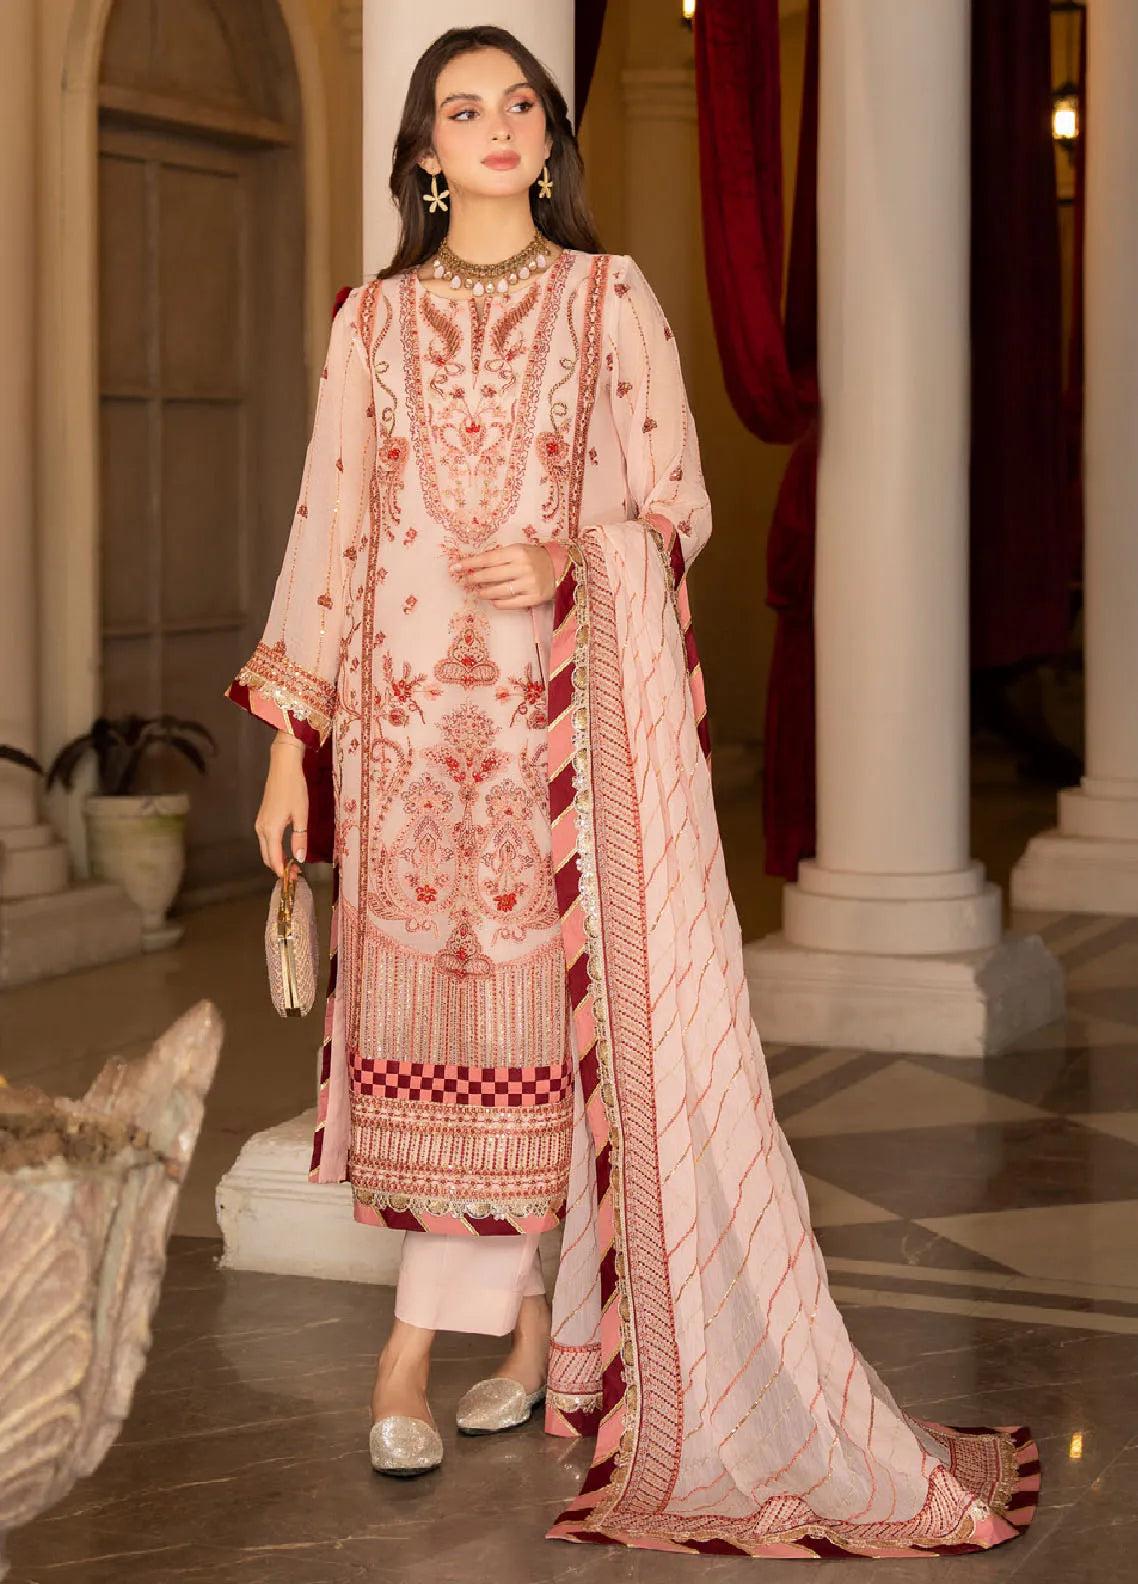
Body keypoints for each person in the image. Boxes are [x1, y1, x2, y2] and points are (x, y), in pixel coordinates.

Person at [227, 24, 1038, 1558]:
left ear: (547, 135)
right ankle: (514, 1337)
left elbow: (677, 505)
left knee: (546, 1053)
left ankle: (421, 1352)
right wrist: (290, 741)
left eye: (517, 104)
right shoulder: (372, 324)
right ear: (422, 152)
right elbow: (327, 527)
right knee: (422, 1053)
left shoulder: (608, 300)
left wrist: (568, 555)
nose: (494, 126)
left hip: (557, 741)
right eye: (460, 109)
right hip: (405, 751)